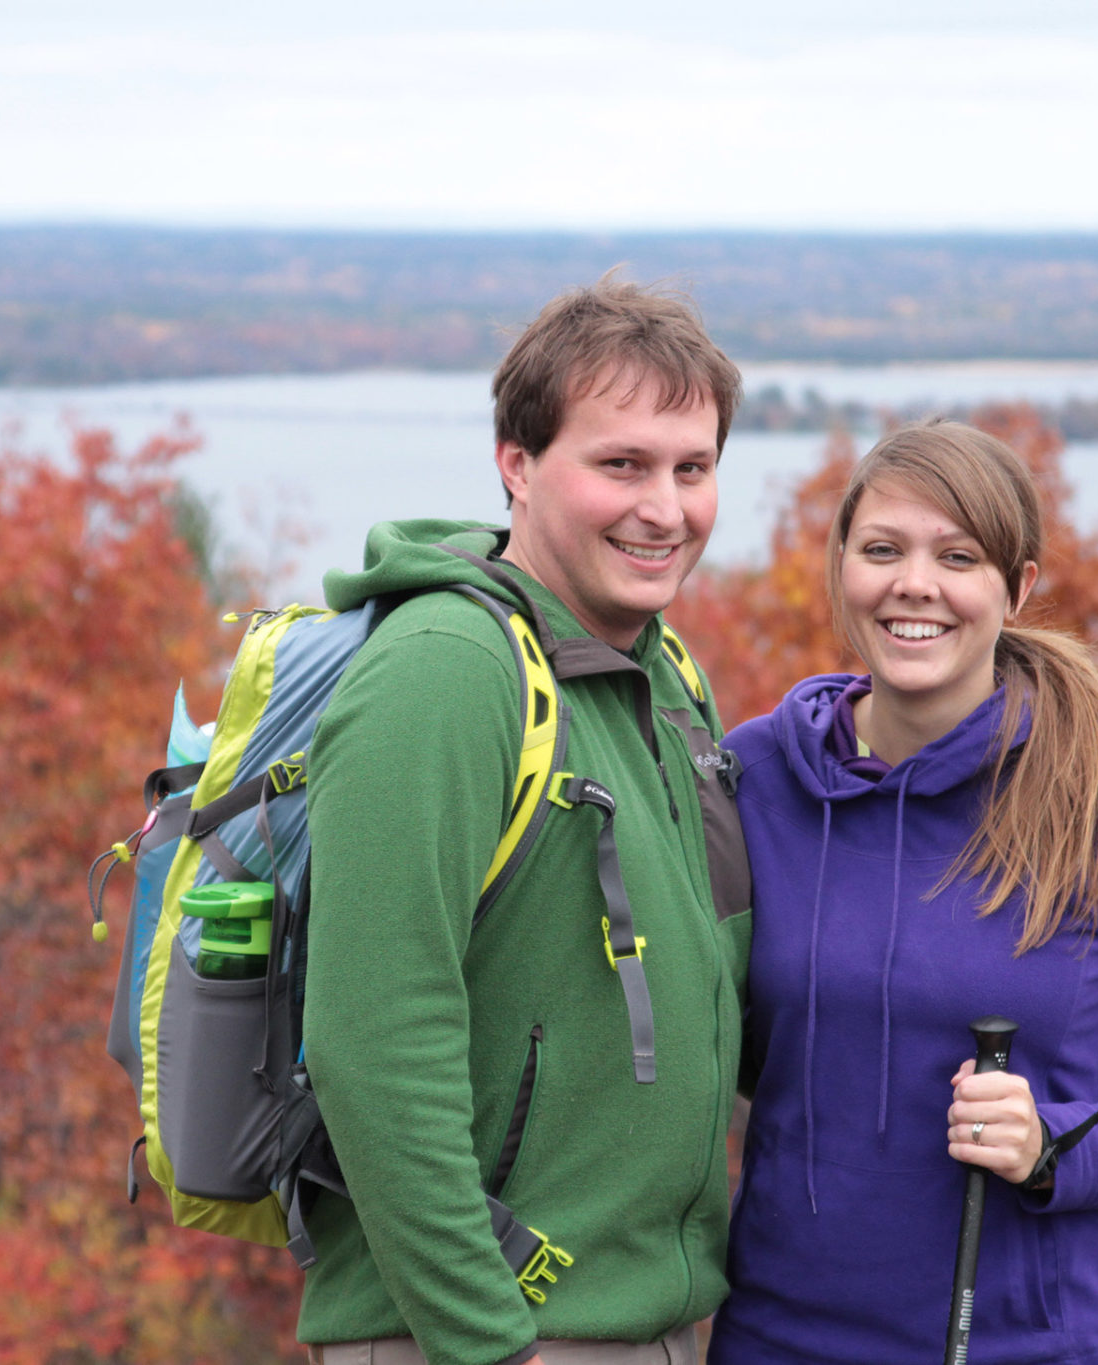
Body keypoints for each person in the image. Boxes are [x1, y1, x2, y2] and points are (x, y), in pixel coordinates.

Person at [709, 421, 1098, 1365]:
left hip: (1036, 1344)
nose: (915, 584)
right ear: (841, 567)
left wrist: (1055, 1141)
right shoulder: (753, 779)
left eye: (959, 556)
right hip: (780, 1338)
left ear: (1017, 588)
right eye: (882, 549)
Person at [297, 277, 752, 1365]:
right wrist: (484, 1340)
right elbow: (373, 1038)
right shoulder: (446, 675)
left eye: (692, 469)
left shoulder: (660, 672)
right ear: (516, 464)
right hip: (480, 1336)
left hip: (641, 1325)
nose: (665, 508)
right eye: (621, 465)